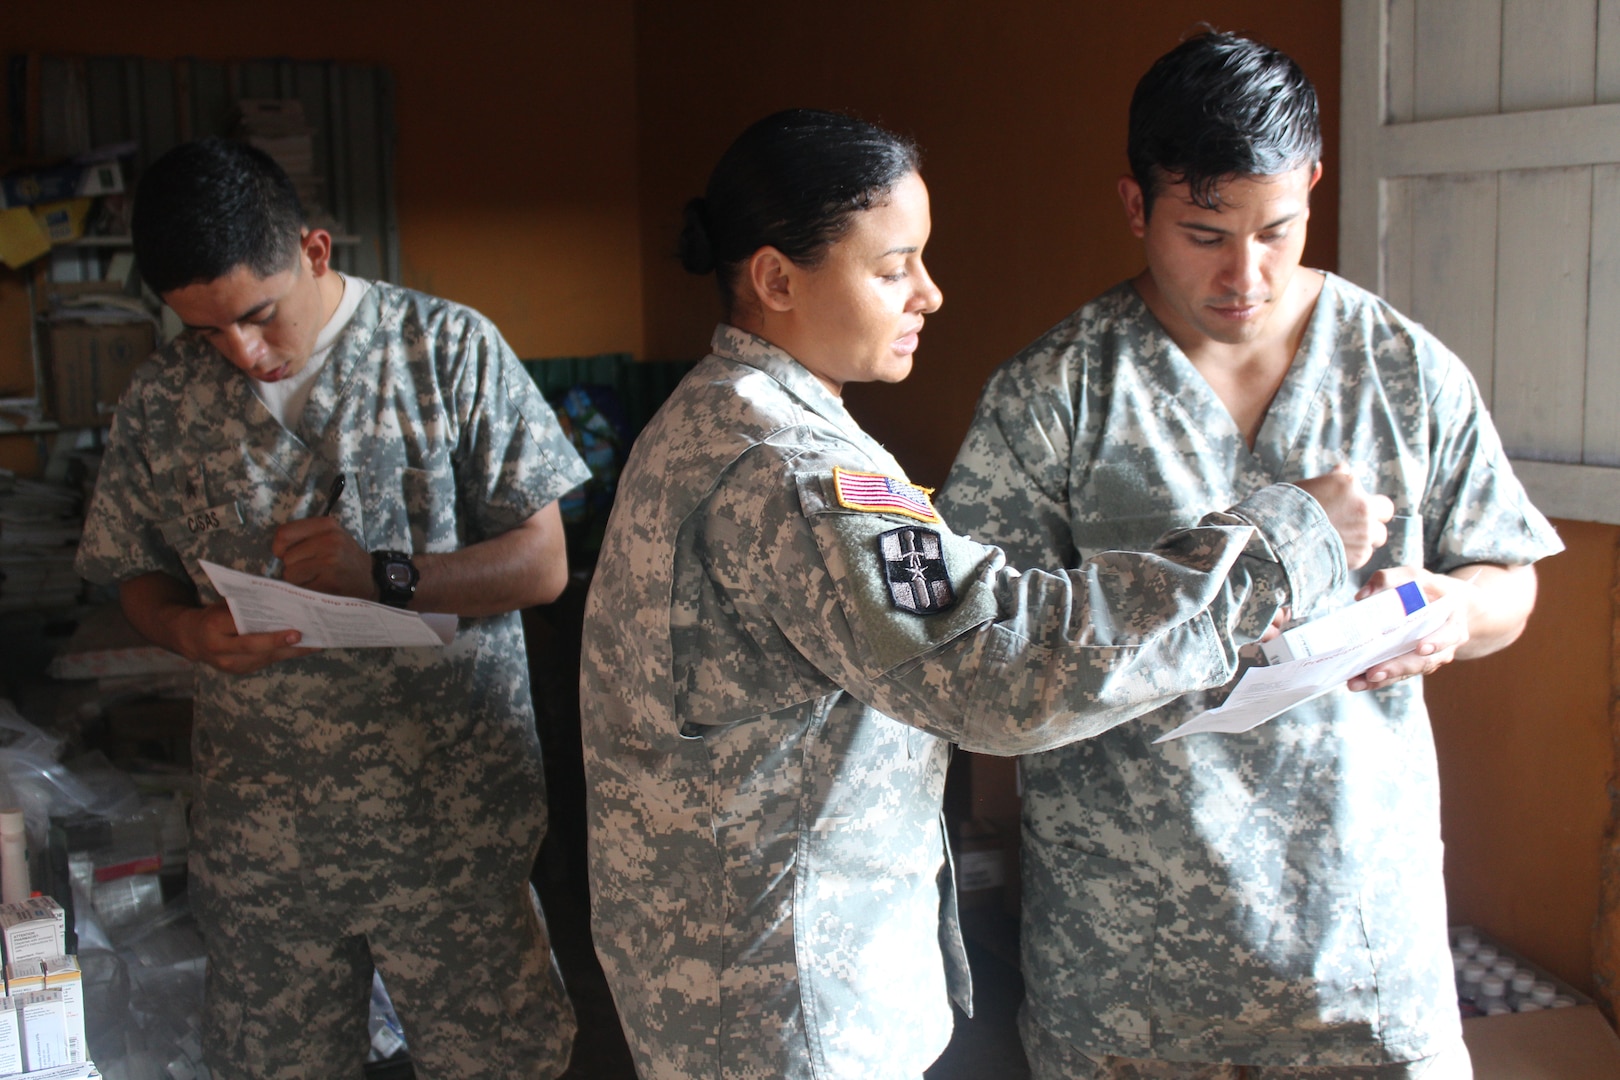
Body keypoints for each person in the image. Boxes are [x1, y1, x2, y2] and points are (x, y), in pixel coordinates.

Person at [578, 108, 1389, 1080]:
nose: (930, 292)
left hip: (737, 968)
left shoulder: (721, 413)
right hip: (793, 1004)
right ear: (777, 279)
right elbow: (999, 670)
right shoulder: (793, 475)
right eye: (893, 267)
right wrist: (1285, 542)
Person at [941, 32, 1564, 1080]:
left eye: (1278, 229)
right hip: (1128, 964)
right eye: (1203, 233)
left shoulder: (1400, 367)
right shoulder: (1055, 396)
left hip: (1356, 946)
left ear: (1315, 184)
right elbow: (981, 657)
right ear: (1137, 207)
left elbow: (1513, 580)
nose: (1245, 273)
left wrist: (1458, 610)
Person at [75, 138, 589, 1079]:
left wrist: (387, 577)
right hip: (265, 838)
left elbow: (543, 564)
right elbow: (132, 571)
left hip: (450, 822)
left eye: (257, 317)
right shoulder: (164, 398)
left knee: (496, 1062)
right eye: (206, 333)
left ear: (314, 251)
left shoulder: (446, 349)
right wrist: (186, 629)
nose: (244, 353)